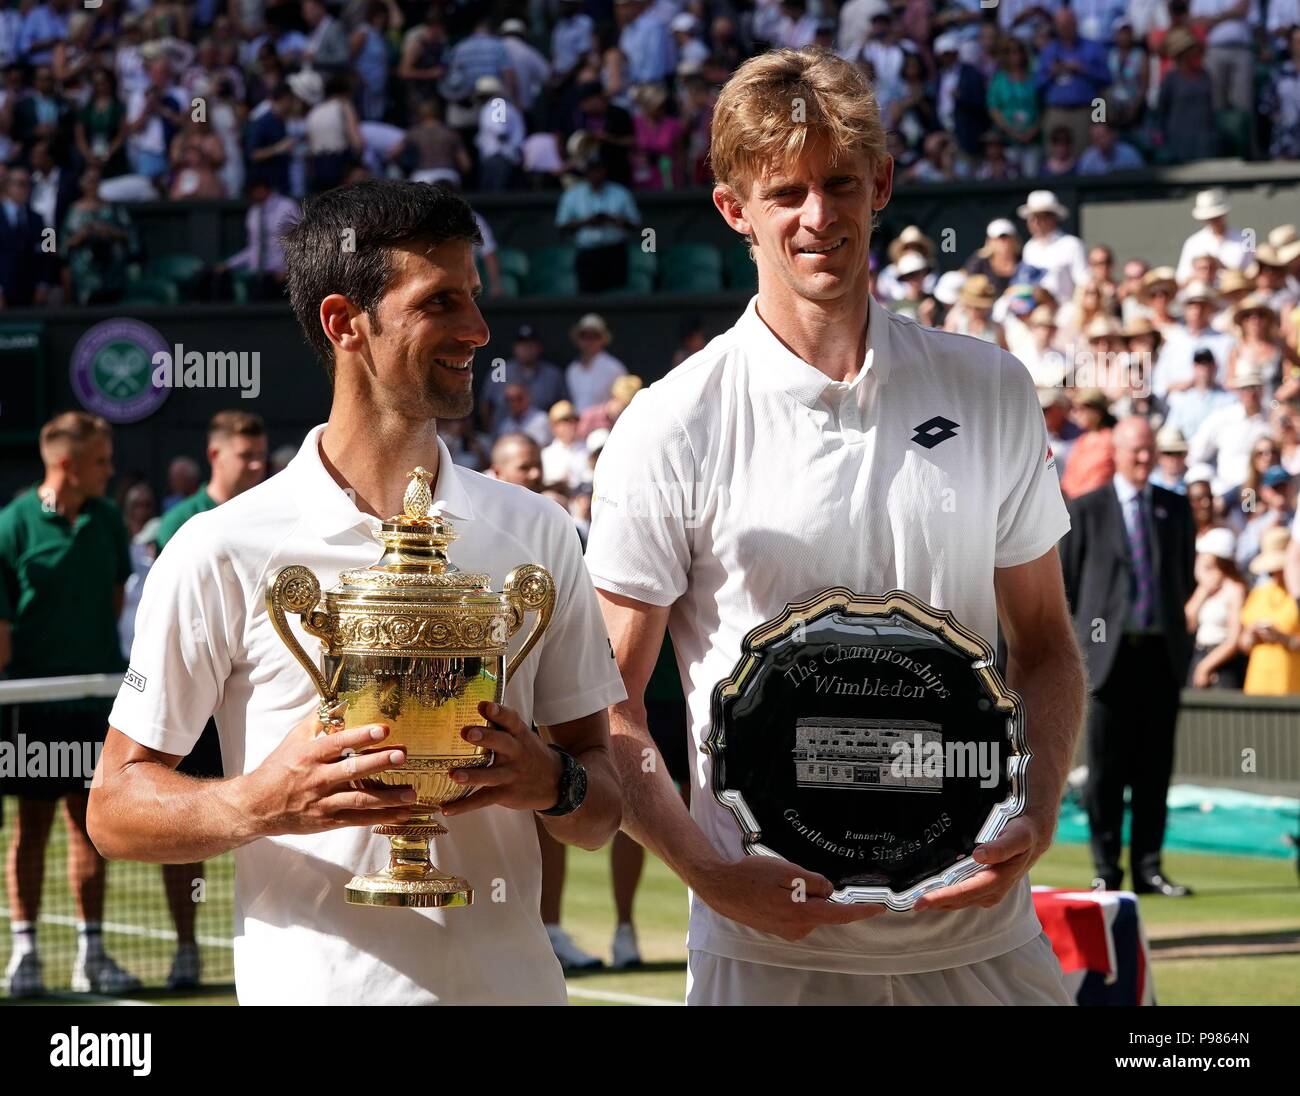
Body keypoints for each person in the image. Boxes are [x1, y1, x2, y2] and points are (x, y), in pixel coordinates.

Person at [585, 48, 1084, 1006]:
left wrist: (1041, 805)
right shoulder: (670, 422)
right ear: (735, 209)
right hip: (769, 953)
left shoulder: (990, 388)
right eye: (786, 193)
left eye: (840, 183)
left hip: (981, 937)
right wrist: (715, 877)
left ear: (881, 185)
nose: (819, 218)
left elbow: (1050, 649)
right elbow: (610, 710)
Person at [87, 181, 627, 1005]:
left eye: (474, 298)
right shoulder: (220, 548)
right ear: (345, 323)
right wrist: (259, 802)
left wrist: (555, 781)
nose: (478, 331)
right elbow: (115, 810)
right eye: (439, 302)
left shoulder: (537, 532)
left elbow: (602, 803)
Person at [0, 412, 140, 997]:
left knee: (90, 827)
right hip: (32, 705)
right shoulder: (13, 526)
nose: (110, 472)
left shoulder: (107, 521)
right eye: (101, 461)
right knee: (30, 827)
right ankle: (25, 953)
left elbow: (112, 602)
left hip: (93, 701)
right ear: (66, 463)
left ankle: (92, 953)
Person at [1060, 416, 1196, 895]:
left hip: (1160, 655)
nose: (1143, 458)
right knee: (1105, 771)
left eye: (1149, 450)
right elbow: (1067, 588)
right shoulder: (1087, 510)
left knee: (1155, 769)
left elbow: (1184, 578)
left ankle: (1149, 868)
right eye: (1135, 450)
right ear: (1115, 451)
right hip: (1106, 661)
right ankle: (1106, 870)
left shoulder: (1175, 509)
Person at [556, 153, 640, 294]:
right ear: (586, 172)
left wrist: (614, 220)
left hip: (615, 253)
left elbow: (636, 224)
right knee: (588, 298)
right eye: (592, 170)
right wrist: (586, 222)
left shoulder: (620, 193)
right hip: (587, 253)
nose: (596, 174)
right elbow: (562, 224)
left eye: (599, 169)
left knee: (616, 296)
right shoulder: (572, 195)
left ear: (605, 171)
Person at [1185, 522, 1248, 689]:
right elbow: (1187, 624)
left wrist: (1205, 667)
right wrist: (1203, 591)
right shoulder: (1204, 587)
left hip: (1224, 667)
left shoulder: (1235, 589)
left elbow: (1234, 639)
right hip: (1199, 656)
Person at [1240, 527, 1300, 694]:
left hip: (1292, 687)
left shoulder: (1297, 596)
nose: (1275, 574)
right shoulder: (1259, 594)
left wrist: (1283, 639)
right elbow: (1244, 643)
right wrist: (1251, 635)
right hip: (1258, 684)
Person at [1018, 189, 1088, 306]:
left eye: (1041, 217)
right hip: (1035, 313)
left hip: (1066, 313)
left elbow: (1083, 283)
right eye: (1032, 217)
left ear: (1053, 218)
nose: (1035, 222)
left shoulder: (1072, 245)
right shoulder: (1029, 248)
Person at [565, 313, 627, 412]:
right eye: (584, 336)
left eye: (594, 336)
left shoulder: (614, 367)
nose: (588, 341)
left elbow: (622, 402)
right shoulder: (572, 370)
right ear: (578, 339)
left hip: (605, 425)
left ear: (603, 339)